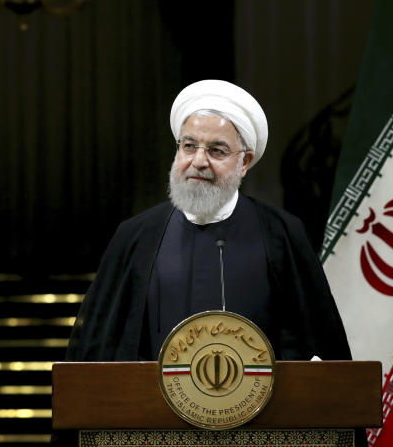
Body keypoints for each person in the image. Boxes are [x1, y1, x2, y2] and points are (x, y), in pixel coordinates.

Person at [66, 79, 351, 363]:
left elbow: (316, 349)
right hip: (152, 406)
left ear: (245, 162)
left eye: (217, 150)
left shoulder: (282, 234)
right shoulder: (136, 236)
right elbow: (102, 351)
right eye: (189, 146)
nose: (199, 161)